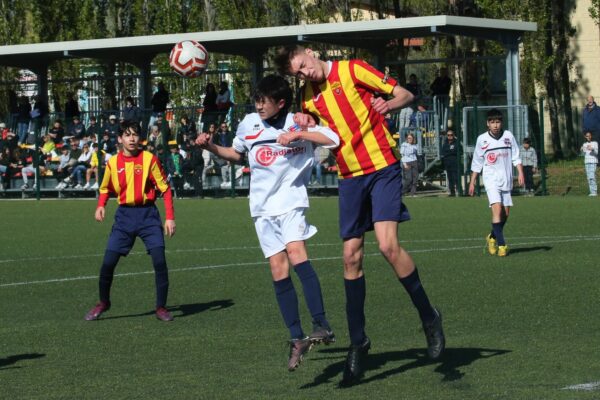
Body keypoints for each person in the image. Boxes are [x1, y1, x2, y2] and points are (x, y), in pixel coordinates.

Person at [275, 45, 445, 385]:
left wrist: (389, 103)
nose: (305, 74)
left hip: (382, 167)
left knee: (387, 246)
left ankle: (429, 317)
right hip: (350, 177)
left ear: (311, 53)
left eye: (304, 66)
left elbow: (405, 94)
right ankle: (358, 342)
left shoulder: (353, 70)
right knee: (350, 258)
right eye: (298, 73)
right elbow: (326, 133)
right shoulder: (308, 99)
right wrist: (307, 122)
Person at [196, 74, 339, 371]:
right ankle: (297, 337)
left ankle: (322, 324)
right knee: (278, 269)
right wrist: (210, 146)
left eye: (265, 101)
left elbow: (333, 139)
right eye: (257, 99)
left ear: (281, 103)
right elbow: (236, 155)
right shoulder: (248, 123)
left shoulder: (299, 122)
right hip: (261, 208)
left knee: (298, 253)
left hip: (290, 203)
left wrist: (300, 134)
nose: (259, 105)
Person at [84, 122, 176, 322]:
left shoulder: (149, 159)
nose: (132, 139)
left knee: (159, 260)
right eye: (128, 135)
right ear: (120, 139)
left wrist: (169, 217)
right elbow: (105, 187)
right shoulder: (113, 163)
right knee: (108, 263)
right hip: (124, 217)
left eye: (135, 135)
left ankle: (161, 307)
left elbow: (165, 189)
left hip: (148, 216)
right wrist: (101, 205)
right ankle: (103, 302)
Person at [468, 108, 524, 257]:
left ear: (501, 122)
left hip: (506, 179)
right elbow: (477, 162)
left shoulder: (508, 136)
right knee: (497, 210)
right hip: (490, 179)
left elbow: (516, 156)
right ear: (487, 123)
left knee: (505, 214)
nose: (495, 125)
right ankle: (502, 245)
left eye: (498, 122)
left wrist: (520, 172)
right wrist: (472, 182)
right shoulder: (482, 139)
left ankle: (492, 236)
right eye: (492, 122)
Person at [441, 129, 459, 196]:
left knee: (456, 177)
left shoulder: (456, 142)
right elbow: (443, 151)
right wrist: (450, 152)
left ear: (453, 135)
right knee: (450, 178)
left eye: (451, 135)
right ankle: (452, 192)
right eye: (448, 135)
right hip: (447, 163)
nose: (450, 136)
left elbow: (456, 151)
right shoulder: (445, 143)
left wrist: (449, 152)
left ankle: (458, 191)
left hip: (454, 162)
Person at [581, 131, 598, 197]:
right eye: (587, 136)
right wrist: (581, 150)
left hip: (593, 161)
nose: (588, 137)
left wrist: (592, 149)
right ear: (585, 137)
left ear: (591, 136)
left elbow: (596, 152)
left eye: (589, 136)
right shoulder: (584, 144)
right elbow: (583, 154)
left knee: (592, 176)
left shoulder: (595, 143)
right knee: (589, 177)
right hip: (586, 162)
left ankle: (594, 192)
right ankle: (591, 192)